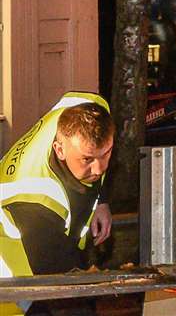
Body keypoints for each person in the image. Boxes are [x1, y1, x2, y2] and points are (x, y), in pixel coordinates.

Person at [0, 93, 114, 280]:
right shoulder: (37, 201)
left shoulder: (90, 108)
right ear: (59, 150)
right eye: (87, 159)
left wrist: (102, 200)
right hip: (14, 283)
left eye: (107, 153)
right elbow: (62, 285)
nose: (100, 168)